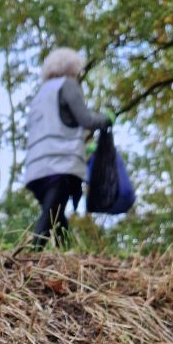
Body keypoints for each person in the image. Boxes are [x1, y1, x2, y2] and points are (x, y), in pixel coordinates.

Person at [24, 48, 113, 248]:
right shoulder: (68, 85)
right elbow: (86, 119)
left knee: (55, 215)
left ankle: (69, 254)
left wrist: (84, 149)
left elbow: (55, 126)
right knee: (51, 215)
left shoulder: (40, 95)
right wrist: (106, 118)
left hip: (36, 167)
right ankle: (29, 255)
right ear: (72, 68)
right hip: (61, 163)